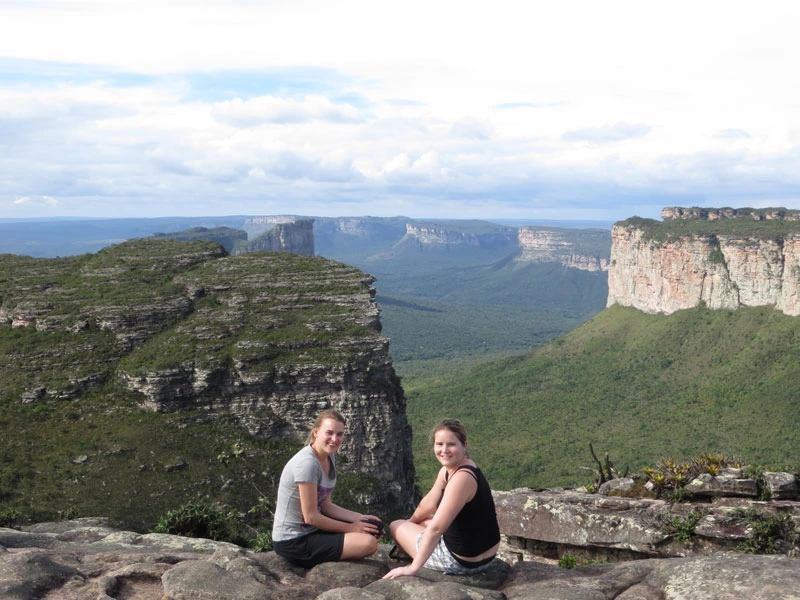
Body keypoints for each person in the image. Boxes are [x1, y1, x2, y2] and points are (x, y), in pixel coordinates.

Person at [383, 418, 500, 579]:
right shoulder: (459, 467)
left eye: (451, 444)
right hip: (486, 552)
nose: (444, 450)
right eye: (439, 444)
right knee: (422, 521)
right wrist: (411, 522)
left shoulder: (461, 479)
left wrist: (413, 568)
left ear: (464, 445)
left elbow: (437, 529)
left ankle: (418, 552)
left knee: (396, 526)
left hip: (462, 562)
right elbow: (428, 503)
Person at [272, 409, 383, 568]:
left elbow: (326, 506)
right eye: (329, 433)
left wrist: (361, 519)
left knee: (372, 525)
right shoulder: (307, 464)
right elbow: (311, 517)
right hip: (293, 541)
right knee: (368, 543)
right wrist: (351, 528)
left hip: (313, 531)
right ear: (316, 432)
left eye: (339, 434)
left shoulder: (328, 457)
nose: (334, 439)